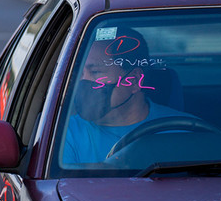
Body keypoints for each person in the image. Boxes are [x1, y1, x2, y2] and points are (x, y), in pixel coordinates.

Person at [63, 28, 186, 164]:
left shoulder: (184, 131)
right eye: (80, 73)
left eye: (95, 72)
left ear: (133, 80)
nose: (83, 81)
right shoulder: (63, 136)